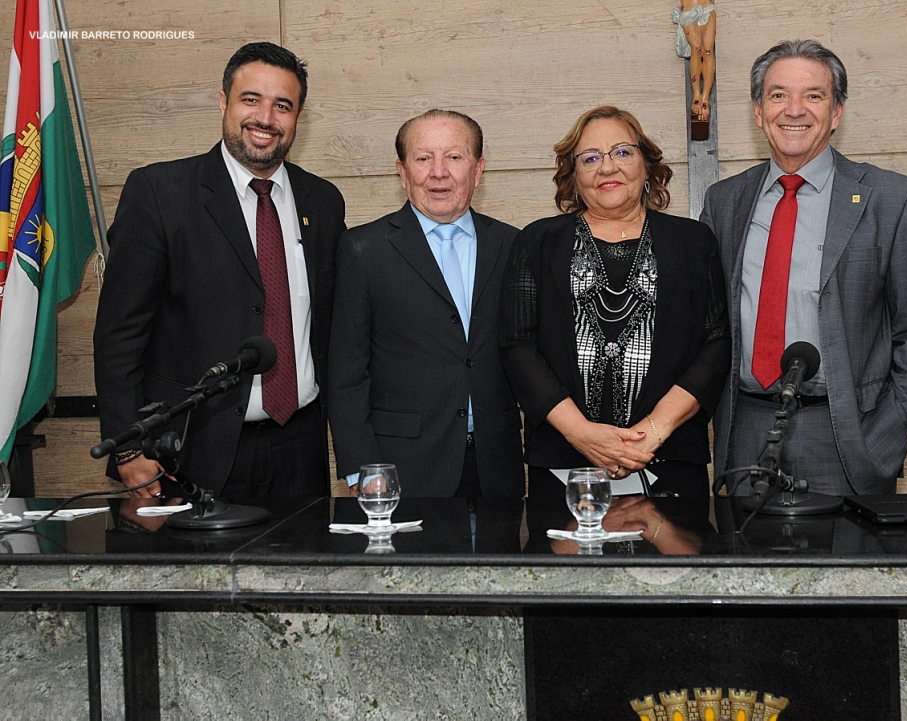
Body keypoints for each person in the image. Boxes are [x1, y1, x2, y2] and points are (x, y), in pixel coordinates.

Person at [94, 42, 346, 498]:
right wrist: (129, 451)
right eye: (251, 99)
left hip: (300, 448)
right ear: (223, 102)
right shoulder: (159, 192)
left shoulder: (323, 201)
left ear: (297, 118)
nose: (265, 118)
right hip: (188, 453)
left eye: (282, 106)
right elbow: (118, 336)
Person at [700, 40, 907, 496]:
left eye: (813, 95)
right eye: (778, 95)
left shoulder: (890, 198)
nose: (794, 110)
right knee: (744, 568)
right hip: (746, 430)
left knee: (852, 567)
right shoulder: (725, 201)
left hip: (848, 435)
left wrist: (888, 435)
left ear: (836, 112)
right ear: (758, 111)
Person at [500, 106, 730, 501]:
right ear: (574, 177)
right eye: (590, 159)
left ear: (647, 165)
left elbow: (716, 343)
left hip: (669, 459)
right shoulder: (537, 242)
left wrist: (650, 435)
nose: (607, 168)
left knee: (674, 564)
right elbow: (517, 346)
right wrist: (583, 435)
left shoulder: (694, 242)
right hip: (563, 462)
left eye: (622, 152)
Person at [329, 109, 524, 497]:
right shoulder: (364, 249)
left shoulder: (512, 245)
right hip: (400, 467)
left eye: (454, 157)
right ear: (402, 172)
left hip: (495, 464)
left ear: (479, 169)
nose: (438, 172)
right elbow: (346, 372)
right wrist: (360, 471)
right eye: (423, 158)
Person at [673, 0, 717, 122]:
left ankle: (705, 97)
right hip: (688, 11)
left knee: (707, 51)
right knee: (697, 49)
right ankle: (696, 94)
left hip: (707, 8)